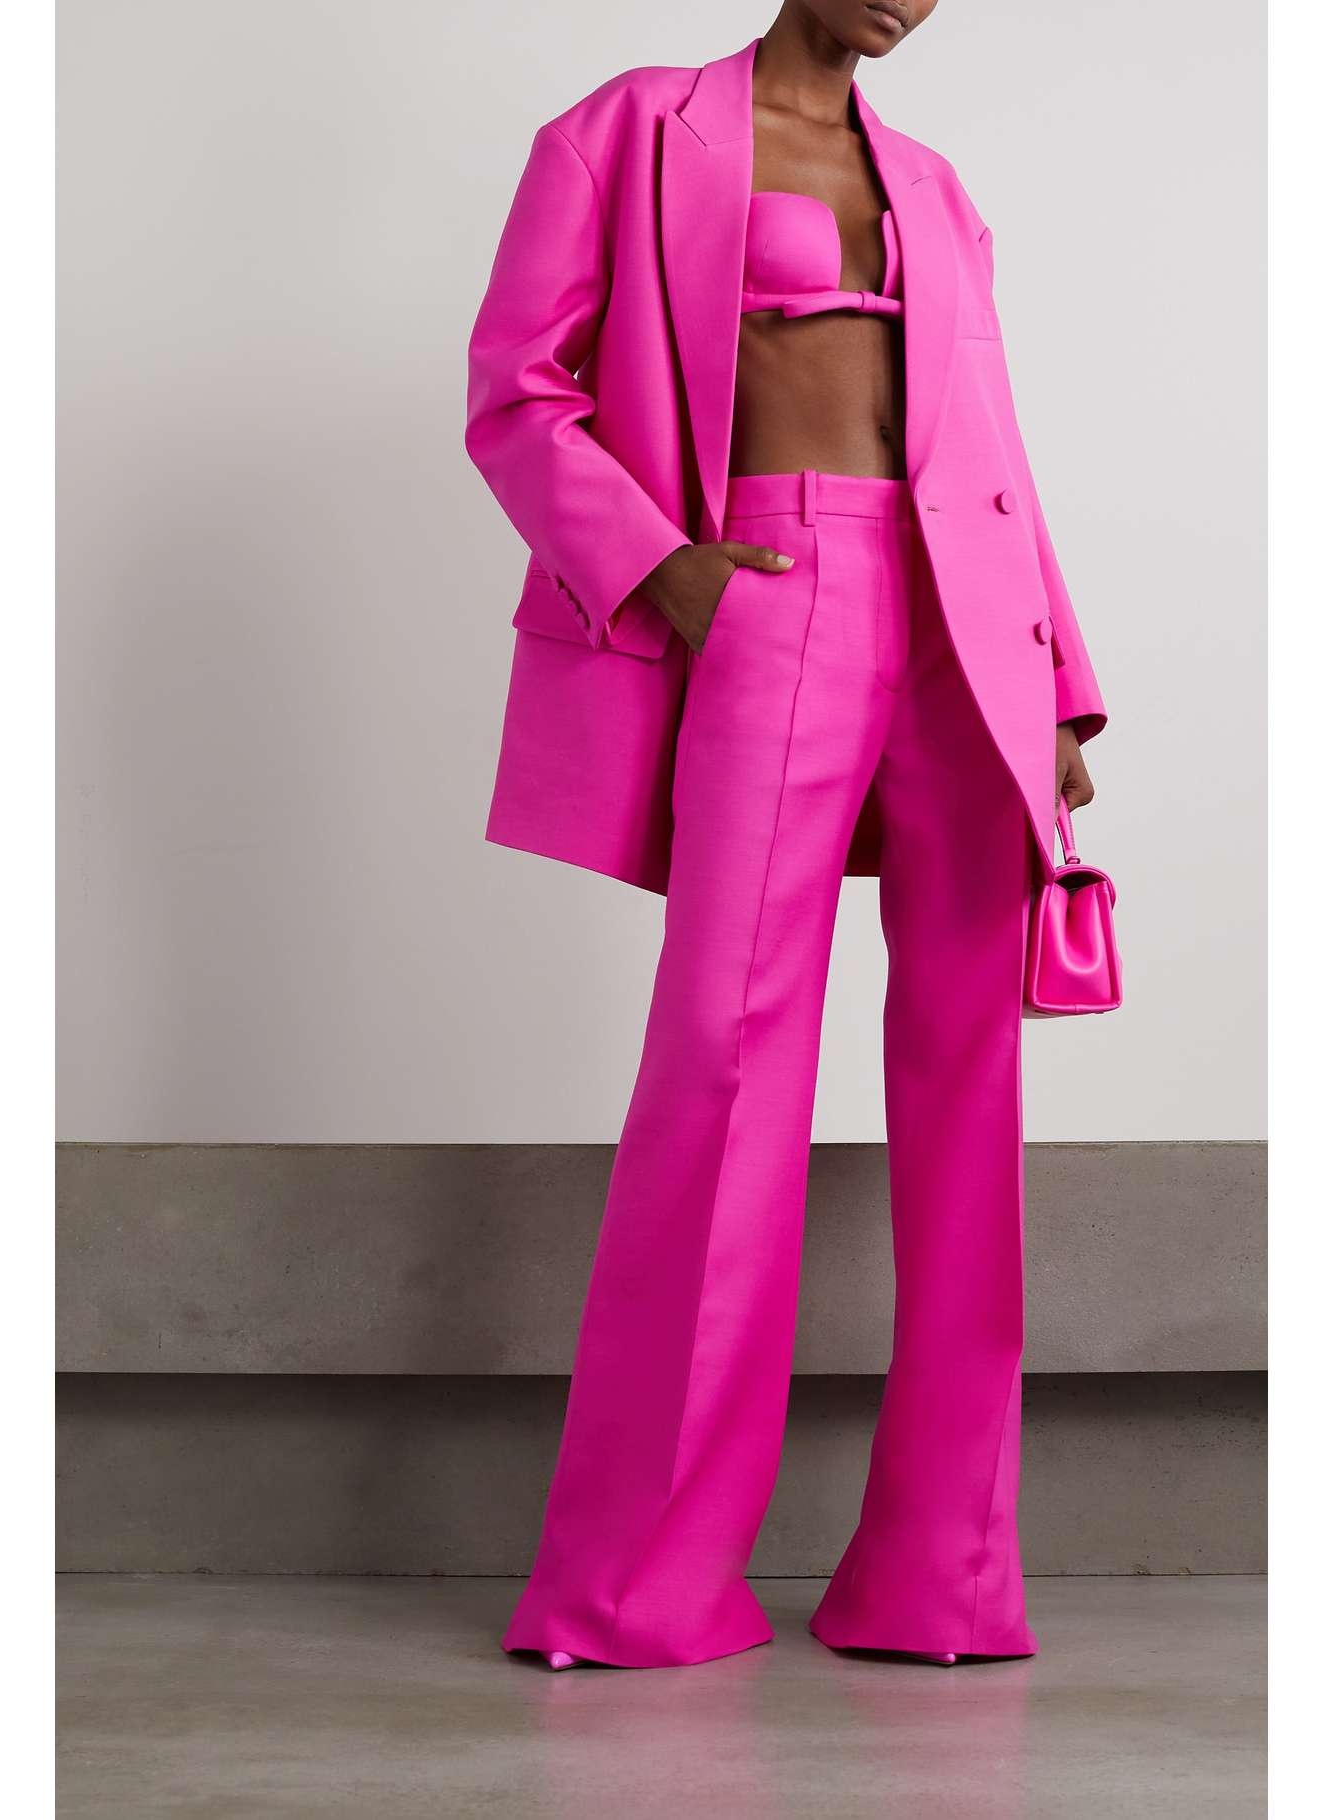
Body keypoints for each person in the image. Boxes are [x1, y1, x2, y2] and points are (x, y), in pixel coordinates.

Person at [465, 1, 1105, 1671]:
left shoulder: (935, 183)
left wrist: (1055, 683)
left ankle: (942, 1578)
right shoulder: (626, 129)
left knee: (968, 1078)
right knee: (725, 1052)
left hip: (964, 624)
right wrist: (658, 567)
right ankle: (639, 1583)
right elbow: (515, 393)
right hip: (767, 586)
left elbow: (988, 445)